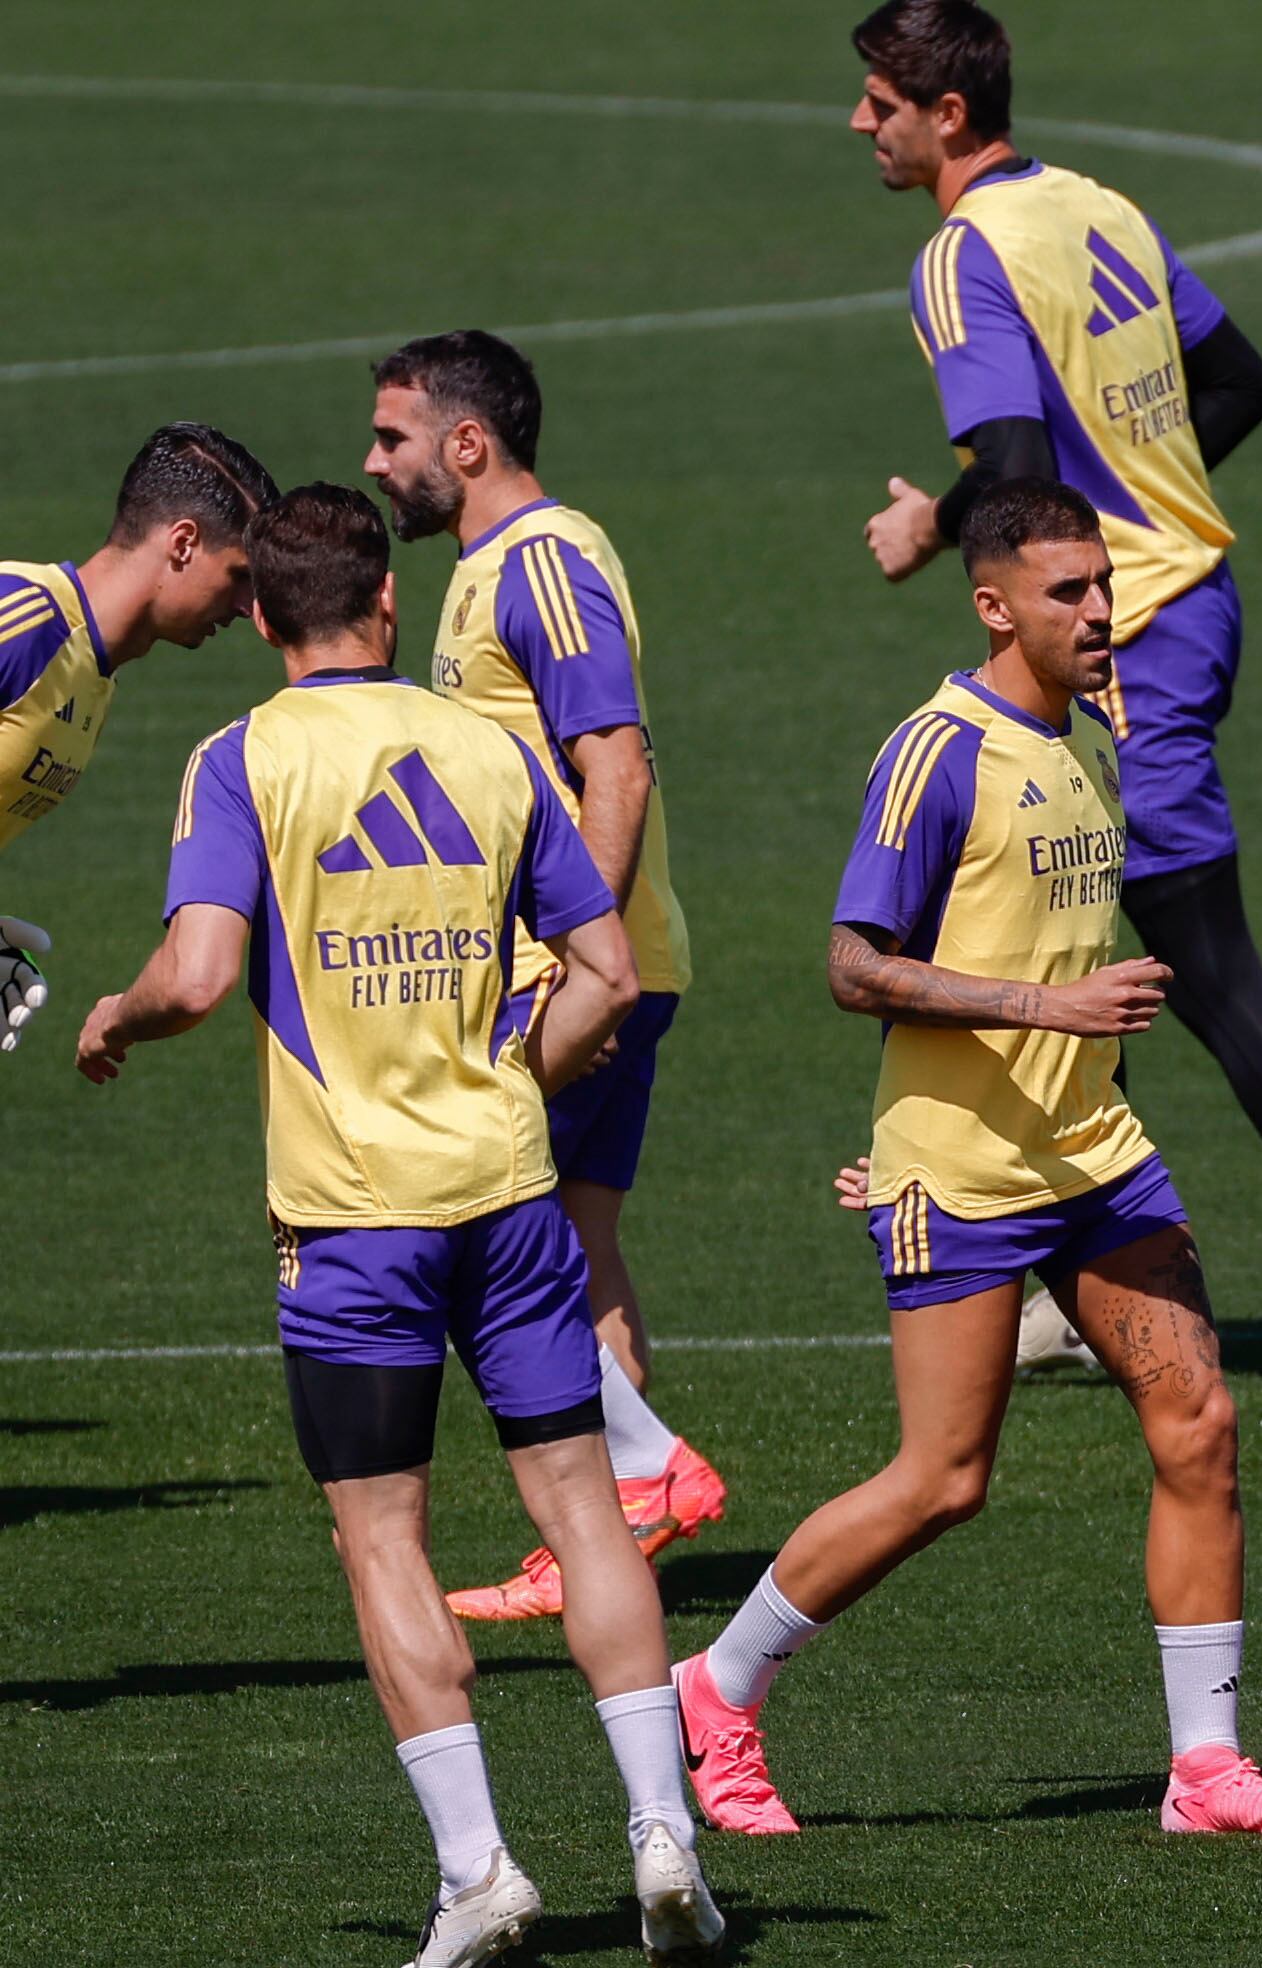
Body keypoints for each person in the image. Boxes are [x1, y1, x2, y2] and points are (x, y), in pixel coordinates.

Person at [73, 484, 722, 1966]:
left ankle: (481, 1871)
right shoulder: (489, 750)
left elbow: (195, 973)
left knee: (384, 1541)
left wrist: (119, 1016)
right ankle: (661, 1836)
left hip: (351, 1223)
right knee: (580, 1507)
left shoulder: (239, 760)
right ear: (381, 602)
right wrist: (511, 1072)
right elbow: (608, 972)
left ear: (256, 617)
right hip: (506, 1198)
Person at [673, 480, 1262, 1843]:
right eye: (1068, 594)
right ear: (993, 605)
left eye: (1104, 586)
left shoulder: (1096, 737)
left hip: (1096, 1157)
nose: (1102, 612)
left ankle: (1207, 1772)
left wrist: (1075, 1042)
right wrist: (1029, 1036)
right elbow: (852, 965)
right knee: (945, 1479)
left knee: (1203, 1428)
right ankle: (717, 1684)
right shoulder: (939, 753)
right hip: (966, 1178)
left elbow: (1060, 946)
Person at [847, 0, 1262, 1397]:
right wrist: (1146, 514)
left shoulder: (962, 253)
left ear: (947, 115)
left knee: (1199, 955)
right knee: (1053, 918)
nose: (862, 126)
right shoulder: (1098, 207)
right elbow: (1238, 383)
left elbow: (1009, 456)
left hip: (1128, 639)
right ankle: (1057, 1275)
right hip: (1179, 604)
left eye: (880, 102)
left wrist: (997, 558)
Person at [365, 330, 728, 1622]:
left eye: (393, 438)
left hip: (566, 969)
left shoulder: (545, 564)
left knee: (474, 1239)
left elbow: (613, 763)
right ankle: (609, 1531)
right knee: (573, 1241)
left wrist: (590, 955)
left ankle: (640, 1468)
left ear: (468, 443)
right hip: (578, 958)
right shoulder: (492, 570)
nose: (375, 461)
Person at [0, 423, 276, 1052]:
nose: (245, 608)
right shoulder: (22, 622)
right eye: (238, 575)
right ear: (182, 543)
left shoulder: (94, 679)